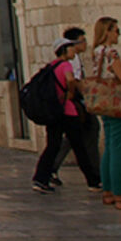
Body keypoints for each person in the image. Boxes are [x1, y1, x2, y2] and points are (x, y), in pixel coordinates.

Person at [32, 37, 101, 194]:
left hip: (54, 112)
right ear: (64, 50)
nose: (73, 50)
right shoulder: (65, 65)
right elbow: (70, 80)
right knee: (79, 146)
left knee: (53, 146)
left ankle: (40, 178)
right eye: (70, 48)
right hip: (68, 112)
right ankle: (93, 181)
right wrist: (70, 92)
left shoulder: (51, 65)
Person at [51, 27, 99, 188]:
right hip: (77, 104)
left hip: (74, 105)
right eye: (83, 40)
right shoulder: (71, 61)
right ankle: (94, 174)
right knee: (88, 133)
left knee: (73, 138)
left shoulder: (73, 58)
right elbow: (73, 81)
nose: (85, 44)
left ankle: (52, 168)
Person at [90, 17, 121, 210]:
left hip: (105, 105)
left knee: (111, 148)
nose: (118, 34)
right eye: (116, 31)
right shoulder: (111, 53)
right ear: (107, 32)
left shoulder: (97, 52)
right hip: (118, 105)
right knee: (120, 150)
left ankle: (108, 192)